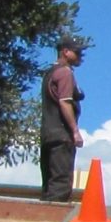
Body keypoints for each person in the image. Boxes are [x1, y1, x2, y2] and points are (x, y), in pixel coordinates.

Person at [39, 38, 86, 201]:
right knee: (60, 186)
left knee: (48, 186)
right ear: (65, 52)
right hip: (61, 136)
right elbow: (65, 102)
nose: (81, 56)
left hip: (47, 135)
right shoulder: (65, 73)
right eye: (77, 52)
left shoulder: (49, 73)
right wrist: (75, 131)